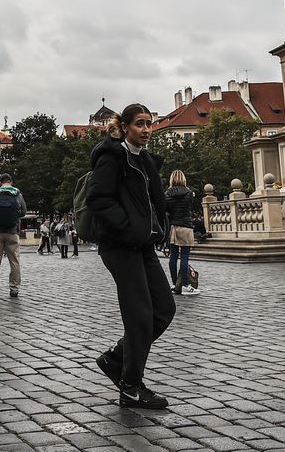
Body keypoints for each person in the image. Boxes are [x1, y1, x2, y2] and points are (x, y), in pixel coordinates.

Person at [87, 103, 175, 410]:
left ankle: (116, 359)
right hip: (120, 245)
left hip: (144, 244)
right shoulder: (113, 157)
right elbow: (97, 198)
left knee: (164, 309)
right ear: (124, 127)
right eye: (140, 124)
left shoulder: (145, 159)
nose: (147, 129)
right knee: (139, 315)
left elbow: (153, 202)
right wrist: (127, 228)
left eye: (149, 124)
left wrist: (157, 227)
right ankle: (131, 386)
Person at [0, 173, 26, 299]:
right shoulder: (18, 194)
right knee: (14, 262)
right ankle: (14, 289)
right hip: (12, 232)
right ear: (11, 182)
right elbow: (23, 212)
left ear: (1, 182)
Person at [163, 170, 199, 295]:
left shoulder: (167, 194)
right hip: (186, 226)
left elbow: (165, 210)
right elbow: (190, 207)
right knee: (184, 256)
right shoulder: (189, 193)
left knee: (173, 256)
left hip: (173, 227)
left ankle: (174, 284)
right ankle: (185, 284)